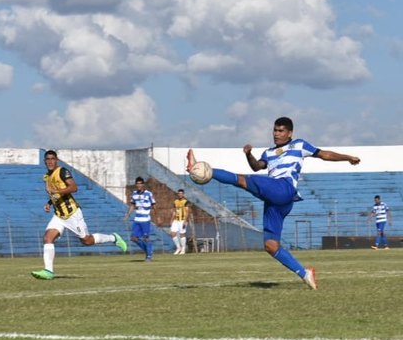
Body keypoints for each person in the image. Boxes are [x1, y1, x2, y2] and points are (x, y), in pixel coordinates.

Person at [187, 117, 360, 290]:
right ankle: (305, 273)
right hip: (276, 200)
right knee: (270, 246)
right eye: (275, 130)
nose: (276, 134)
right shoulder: (268, 153)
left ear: (289, 133)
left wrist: (347, 157)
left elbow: (324, 155)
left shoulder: (299, 145)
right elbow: (257, 167)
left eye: (281, 131)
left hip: (283, 188)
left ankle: (204, 169)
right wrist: (249, 155)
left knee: (240, 180)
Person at [31, 150, 127, 280]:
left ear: (57, 160)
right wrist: (49, 203)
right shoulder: (47, 177)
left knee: (87, 241)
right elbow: (55, 195)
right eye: (47, 159)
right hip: (59, 215)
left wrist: (57, 191)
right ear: (44, 161)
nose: (50, 161)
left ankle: (113, 238)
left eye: (52, 158)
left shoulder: (62, 171)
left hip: (72, 214)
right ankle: (48, 271)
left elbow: (73, 188)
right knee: (48, 238)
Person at [124, 176, 157, 261]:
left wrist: (157, 217)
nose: (138, 185)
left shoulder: (148, 194)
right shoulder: (134, 194)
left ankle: (149, 256)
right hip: (137, 219)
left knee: (146, 238)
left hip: (145, 219)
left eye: (140, 183)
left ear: (143, 184)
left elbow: (154, 206)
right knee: (133, 238)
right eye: (137, 183)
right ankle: (147, 251)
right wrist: (128, 215)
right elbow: (132, 205)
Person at [170, 189, 190, 255]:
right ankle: (178, 248)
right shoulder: (175, 201)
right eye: (179, 193)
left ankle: (183, 249)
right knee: (172, 233)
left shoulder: (185, 202)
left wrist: (185, 221)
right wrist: (171, 220)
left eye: (181, 193)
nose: (180, 194)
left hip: (182, 220)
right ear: (177, 194)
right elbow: (174, 212)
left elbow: (187, 212)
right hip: (176, 220)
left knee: (182, 234)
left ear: (183, 194)